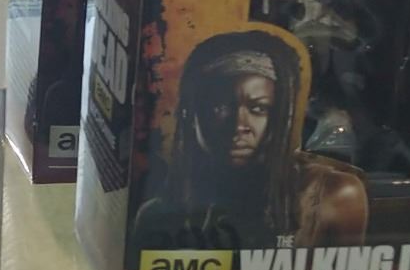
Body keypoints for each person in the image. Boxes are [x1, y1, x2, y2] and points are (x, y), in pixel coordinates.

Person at [133, 26, 369, 254]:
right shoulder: (156, 214)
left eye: (258, 109)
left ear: (281, 116)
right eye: (220, 107)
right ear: (192, 114)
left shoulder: (332, 194)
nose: (239, 125)